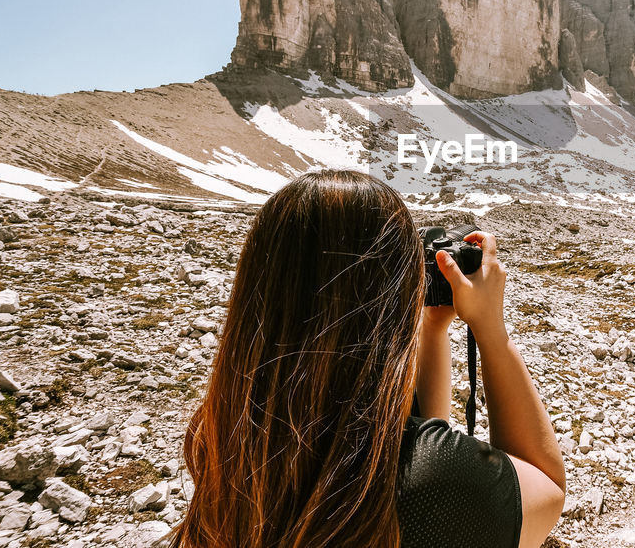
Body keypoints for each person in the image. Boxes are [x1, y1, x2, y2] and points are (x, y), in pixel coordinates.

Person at [170, 170, 565, 548]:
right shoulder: (433, 483)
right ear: (391, 297)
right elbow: (547, 489)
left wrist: (433, 327)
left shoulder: (222, 432)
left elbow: (416, 436)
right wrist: (491, 331)